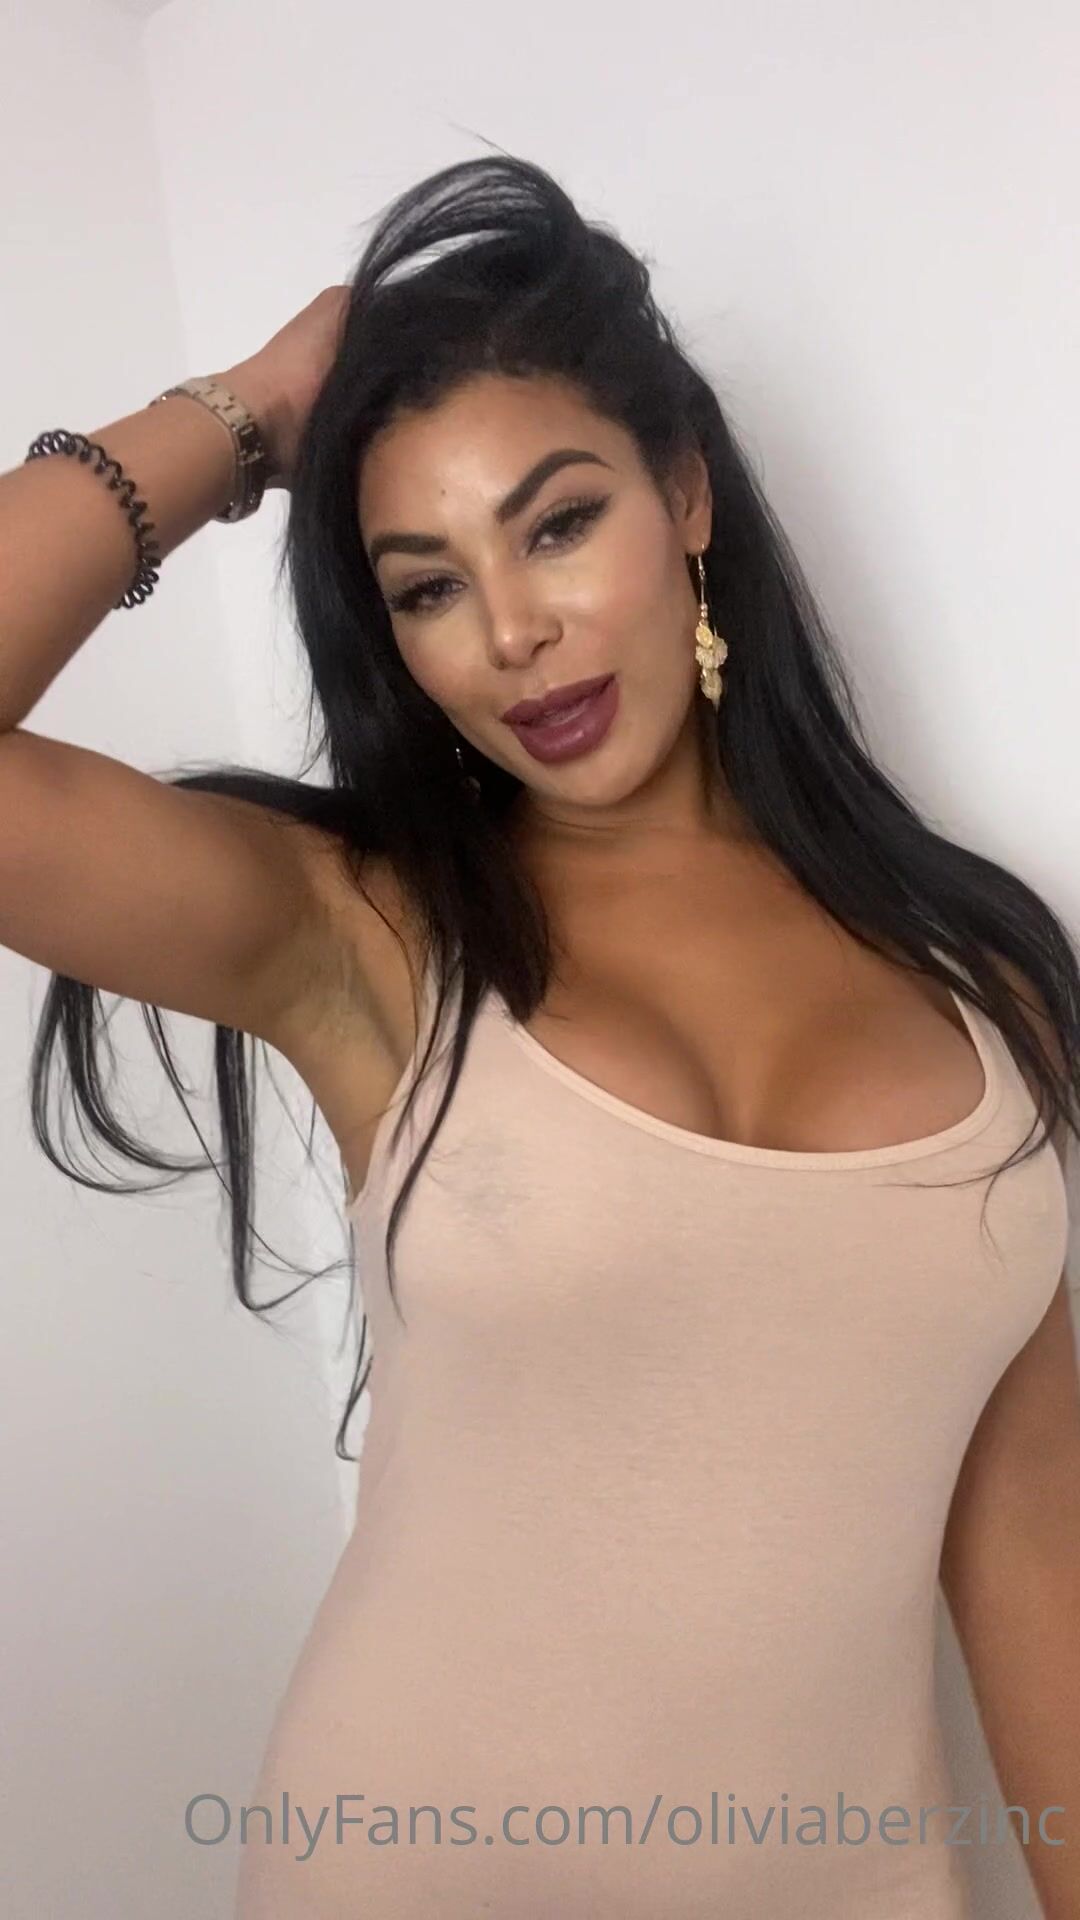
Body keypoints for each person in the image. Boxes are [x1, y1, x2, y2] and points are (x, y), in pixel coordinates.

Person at [3, 154, 1078, 1919]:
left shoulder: (987, 978)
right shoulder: (366, 932)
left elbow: (1033, 1539)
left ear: (687, 495)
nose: (512, 631)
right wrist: (250, 412)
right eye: (427, 585)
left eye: (559, 523)